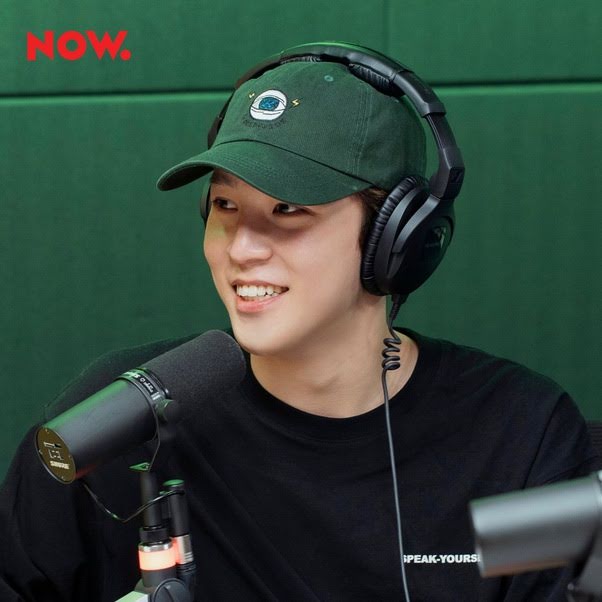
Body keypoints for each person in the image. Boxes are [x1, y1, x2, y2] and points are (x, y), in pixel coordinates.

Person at [0, 42, 597, 602]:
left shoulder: (520, 436)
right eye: (226, 205)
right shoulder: (117, 422)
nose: (241, 248)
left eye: (288, 209)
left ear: (396, 240)